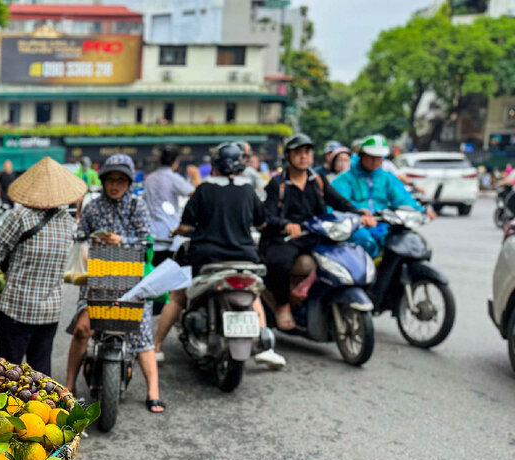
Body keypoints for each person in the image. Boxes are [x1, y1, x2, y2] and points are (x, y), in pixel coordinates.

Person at [153, 143, 285, 369]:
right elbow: (261, 222)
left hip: (207, 258)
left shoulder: (204, 190)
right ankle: (267, 349)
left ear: (214, 166)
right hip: (245, 257)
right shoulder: (247, 190)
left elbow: (186, 226)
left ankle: (155, 347)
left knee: (176, 297)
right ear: (241, 167)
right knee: (254, 295)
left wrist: (178, 231)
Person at [62, 154, 165, 413]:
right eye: (111, 179)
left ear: (129, 182)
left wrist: (123, 241)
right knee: (82, 329)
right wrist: (91, 239)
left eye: (121, 180)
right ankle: (69, 385)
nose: (115, 185)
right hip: (96, 278)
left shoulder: (137, 206)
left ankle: (154, 391)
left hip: (132, 280)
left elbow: (147, 241)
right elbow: (79, 236)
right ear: (104, 181)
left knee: (142, 336)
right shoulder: (93, 207)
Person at [0, 157, 84, 376]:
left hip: (18, 308)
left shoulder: (19, 216)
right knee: (40, 376)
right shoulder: (67, 220)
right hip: (50, 312)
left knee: (6, 375)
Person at [262, 133, 376, 330]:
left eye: (307, 152)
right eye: (298, 152)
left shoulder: (318, 180)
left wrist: (358, 214)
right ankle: (282, 305)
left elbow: (338, 201)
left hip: (317, 234)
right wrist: (286, 224)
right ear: (288, 156)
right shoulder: (277, 183)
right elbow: (267, 216)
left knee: (346, 256)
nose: (303, 156)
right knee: (280, 263)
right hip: (286, 238)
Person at [331, 134, 431, 257]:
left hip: (384, 224)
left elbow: (403, 199)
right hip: (355, 226)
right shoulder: (344, 179)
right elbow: (339, 202)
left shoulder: (387, 178)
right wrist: (358, 214)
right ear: (362, 155)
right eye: (371, 157)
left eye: (379, 158)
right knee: (366, 242)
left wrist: (420, 211)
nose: (375, 161)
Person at [143, 146, 197, 266]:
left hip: (152, 235)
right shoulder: (173, 178)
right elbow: (196, 196)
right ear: (176, 161)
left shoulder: (150, 179)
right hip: (169, 235)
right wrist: (196, 176)